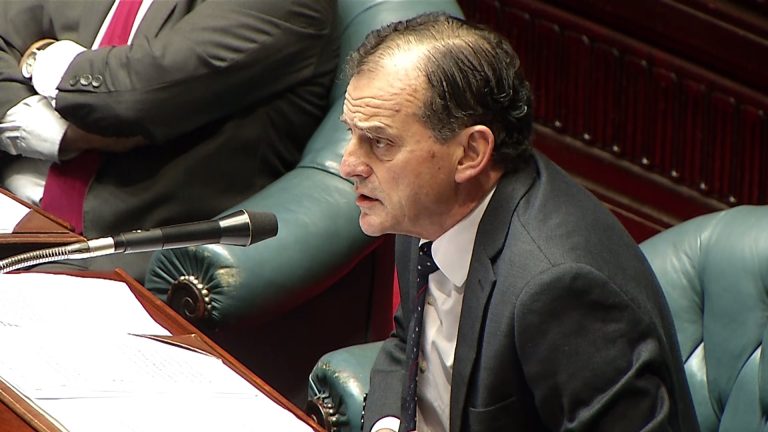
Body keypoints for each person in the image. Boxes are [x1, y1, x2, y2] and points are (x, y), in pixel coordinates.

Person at [338, 13, 699, 432]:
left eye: (379, 141)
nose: (348, 164)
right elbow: (407, 342)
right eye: (352, 133)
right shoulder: (423, 206)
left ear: (470, 153)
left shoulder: (559, 289)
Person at [0, 0, 337, 278]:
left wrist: (38, 56)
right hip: (12, 207)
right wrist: (61, 134)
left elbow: (133, 94)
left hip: (113, 253)